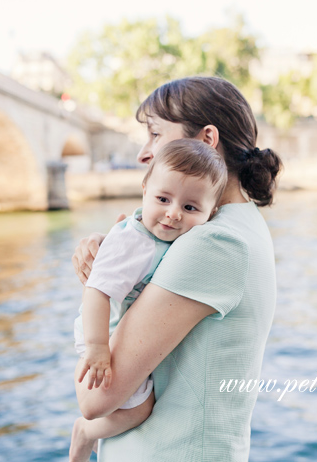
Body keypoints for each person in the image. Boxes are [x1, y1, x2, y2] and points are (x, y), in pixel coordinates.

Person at [71, 76, 282, 461]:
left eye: (154, 134)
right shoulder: (240, 225)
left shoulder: (213, 244)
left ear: (206, 141)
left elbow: (94, 396)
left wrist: (103, 281)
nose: (143, 153)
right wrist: (118, 257)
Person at [69, 139, 228, 461]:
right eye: (163, 199)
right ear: (145, 190)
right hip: (103, 331)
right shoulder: (134, 242)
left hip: (114, 328)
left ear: (212, 213)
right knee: (136, 412)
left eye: (190, 208)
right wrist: (98, 348)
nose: (172, 214)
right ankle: (84, 434)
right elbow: (96, 291)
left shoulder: (163, 237)